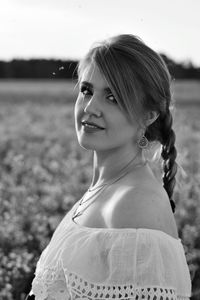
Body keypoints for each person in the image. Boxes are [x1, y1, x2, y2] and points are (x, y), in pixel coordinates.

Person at [26, 34, 192, 300]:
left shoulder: (135, 202)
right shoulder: (105, 187)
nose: (90, 107)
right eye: (87, 91)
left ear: (148, 115)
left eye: (113, 97)